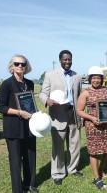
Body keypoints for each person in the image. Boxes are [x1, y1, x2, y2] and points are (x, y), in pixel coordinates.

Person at [39, 50, 82, 185]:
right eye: (65, 59)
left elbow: (80, 97)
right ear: (60, 60)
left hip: (74, 114)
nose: (67, 62)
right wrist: (47, 101)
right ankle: (58, 172)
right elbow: (42, 93)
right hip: (58, 115)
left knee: (74, 144)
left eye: (69, 59)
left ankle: (72, 168)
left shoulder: (77, 76)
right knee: (58, 146)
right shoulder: (50, 75)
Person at [0, 54, 39, 193]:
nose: (20, 66)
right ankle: (17, 189)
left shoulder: (30, 83)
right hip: (13, 128)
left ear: (27, 66)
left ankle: (30, 184)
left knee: (30, 157)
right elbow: (1, 107)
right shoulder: (7, 84)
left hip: (29, 127)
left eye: (23, 63)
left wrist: (37, 112)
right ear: (12, 66)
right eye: (17, 64)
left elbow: (31, 104)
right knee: (15, 161)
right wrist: (19, 112)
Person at [76, 66, 107, 190]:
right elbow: (79, 110)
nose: (96, 80)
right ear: (90, 79)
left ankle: (101, 170)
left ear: (101, 79)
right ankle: (97, 178)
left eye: (98, 78)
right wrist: (91, 118)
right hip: (93, 126)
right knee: (94, 151)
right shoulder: (86, 92)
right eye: (94, 78)